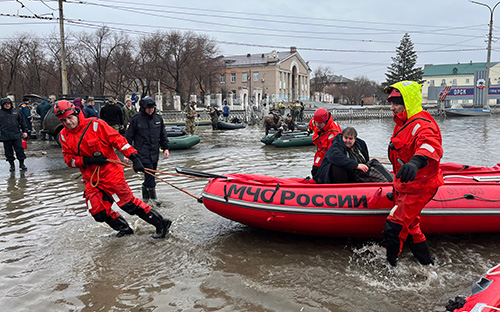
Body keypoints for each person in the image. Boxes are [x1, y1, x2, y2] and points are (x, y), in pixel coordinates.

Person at [55, 100, 172, 239]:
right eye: (64, 120)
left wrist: (134, 158)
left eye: (70, 118)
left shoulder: (96, 125)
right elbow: (69, 160)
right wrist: (87, 160)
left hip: (111, 174)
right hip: (91, 179)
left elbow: (118, 140)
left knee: (128, 205)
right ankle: (125, 229)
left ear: (76, 112)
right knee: (97, 212)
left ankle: (161, 223)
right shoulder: (63, 135)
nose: (68, 122)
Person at [383, 81, 443, 267]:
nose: (391, 107)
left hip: (420, 186)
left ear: (407, 102)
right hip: (406, 184)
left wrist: (417, 161)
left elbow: (430, 144)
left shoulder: (422, 124)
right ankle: (426, 264)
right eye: (391, 103)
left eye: (395, 103)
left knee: (394, 228)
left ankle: (390, 269)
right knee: (412, 227)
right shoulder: (403, 122)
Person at [125, 96, 169, 206]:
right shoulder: (135, 120)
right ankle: (153, 200)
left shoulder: (158, 119)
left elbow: (163, 135)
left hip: (154, 152)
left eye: (152, 108)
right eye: (148, 108)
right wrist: (126, 154)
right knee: (150, 175)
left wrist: (166, 148)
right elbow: (128, 137)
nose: (150, 110)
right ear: (143, 108)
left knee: (152, 173)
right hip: (142, 152)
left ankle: (145, 196)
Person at [307, 108, 342, 177]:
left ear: (325, 122)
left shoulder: (333, 132)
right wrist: (309, 130)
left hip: (328, 154)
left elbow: (333, 151)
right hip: (320, 152)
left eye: (319, 123)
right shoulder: (316, 122)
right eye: (316, 122)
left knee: (325, 172)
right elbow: (312, 123)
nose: (317, 125)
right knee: (315, 170)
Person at [0, 98, 28, 171]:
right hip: (5, 136)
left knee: (20, 150)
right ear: (2, 105)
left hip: (16, 135)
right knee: (8, 152)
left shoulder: (16, 112)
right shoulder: (0, 113)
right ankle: (11, 165)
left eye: (8, 104)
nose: (7, 105)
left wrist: (25, 131)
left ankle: (21, 164)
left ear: (11, 104)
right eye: (5, 104)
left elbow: (22, 122)